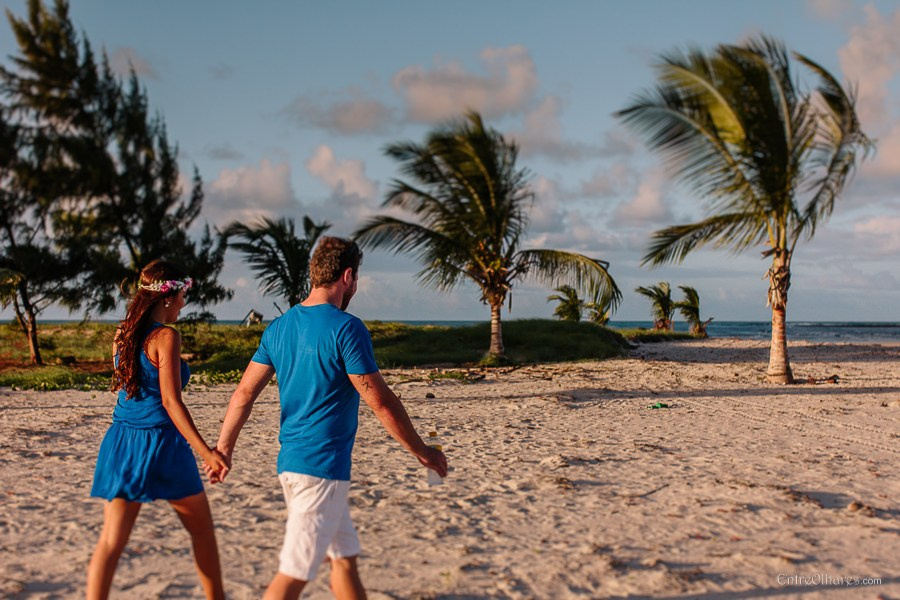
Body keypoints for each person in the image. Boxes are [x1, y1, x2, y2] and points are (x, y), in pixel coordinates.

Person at [209, 236, 448, 600]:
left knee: (344, 560)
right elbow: (380, 401)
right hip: (320, 470)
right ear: (348, 276)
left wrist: (224, 448)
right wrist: (422, 452)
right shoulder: (346, 328)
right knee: (292, 576)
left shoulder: (279, 327)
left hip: (292, 464)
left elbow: (243, 393)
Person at [87, 259, 229, 600]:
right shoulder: (166, 336)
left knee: (111, 541)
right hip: (162, 446)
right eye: (182, 296)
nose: (183, 303)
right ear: (167, 297)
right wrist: (207, 451)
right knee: (203, 533)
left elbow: (130, 387)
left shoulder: (122, 333)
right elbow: (171, 402)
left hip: (121, 443)